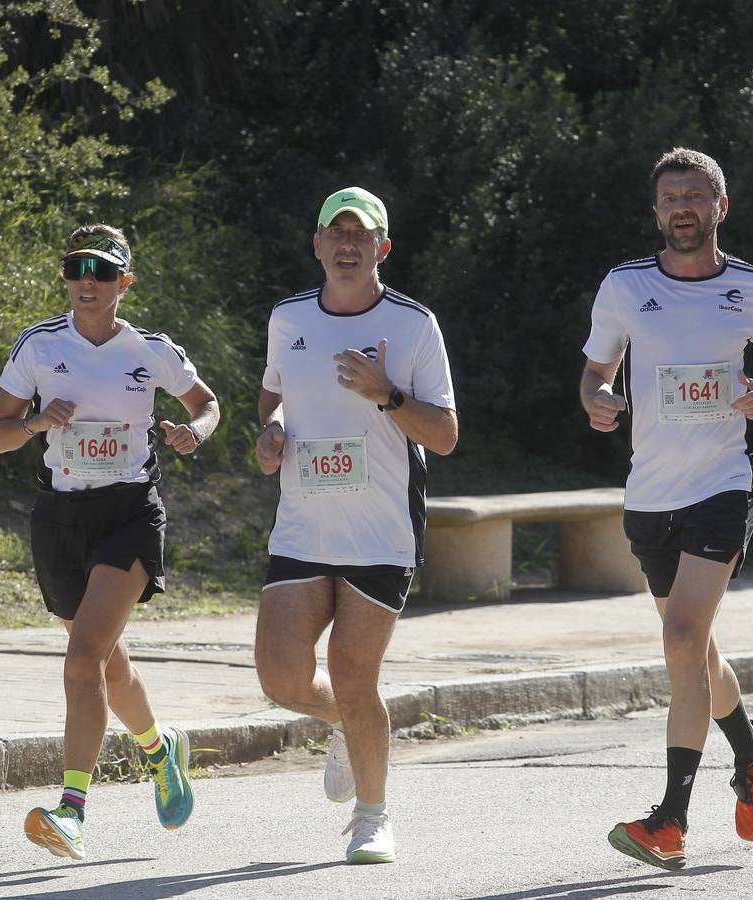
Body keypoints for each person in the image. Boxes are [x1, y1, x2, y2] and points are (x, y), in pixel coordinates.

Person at [579, 148, 753, 871]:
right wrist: (598, 401)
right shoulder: (624, 286)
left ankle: (670, 820)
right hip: (650, 492)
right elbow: (595, 372)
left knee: (680, 637)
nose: (682, 207)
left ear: (720, 207)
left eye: (695, 196)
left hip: (725, 480)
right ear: (656, 212)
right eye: (670, 197)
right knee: (695, 647)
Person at [0, 224, 220, 861]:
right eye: (75, 268)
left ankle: (71, 810)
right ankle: (160, 747)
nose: (86, 280)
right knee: (105, 662)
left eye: (101, 270)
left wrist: (193, 432)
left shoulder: (150, 349)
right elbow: (0, 436)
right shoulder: (38, 346)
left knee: (83, 659)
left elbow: (208, 404)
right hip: (60, 516)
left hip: (129, 514)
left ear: (125, 282)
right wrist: (37, 420)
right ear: (65, 277)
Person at [252, 187, 458, 864]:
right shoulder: (288, 318)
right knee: (281, 678)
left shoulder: (413, 324)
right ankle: (343, 720)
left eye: (360, 234)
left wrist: (386, 394)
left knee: (352, 671)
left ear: (382, 248)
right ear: (316, 245)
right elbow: (273, 400)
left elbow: (447, 435)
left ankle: (373, 818)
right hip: (304, 523)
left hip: (380, 529)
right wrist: (272, 435)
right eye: (335, 232)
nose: (347, 244)